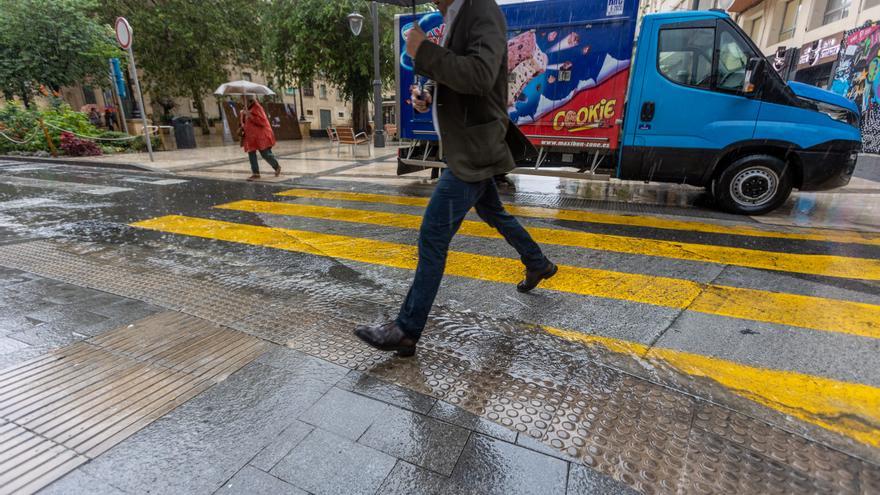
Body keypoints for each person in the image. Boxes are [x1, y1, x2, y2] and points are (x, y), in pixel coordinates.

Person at [354, 0, 557, 357]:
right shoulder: (454, 15)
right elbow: (462, 81)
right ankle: (538, 263)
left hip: (475, 149)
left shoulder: (481, 10)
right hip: (470, 147)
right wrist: (429, 96)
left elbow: (480, 75)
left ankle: (406, 328)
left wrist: (423, 50)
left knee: (433, 234)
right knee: (495, 213)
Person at [239, 95, 281, 181]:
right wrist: (242, 119)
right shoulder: (245, 108)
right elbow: (244, 122)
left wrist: (249, 115)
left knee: (265, 154)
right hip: (250, 136)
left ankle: (276, 166)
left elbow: (262, 121)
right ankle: (255, 173)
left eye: (243, 98)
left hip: (261, 136)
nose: (241, 100)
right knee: (251, 153)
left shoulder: (257, 107)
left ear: (248, 99)